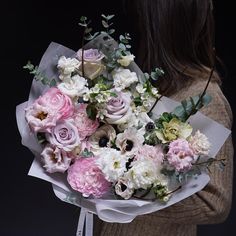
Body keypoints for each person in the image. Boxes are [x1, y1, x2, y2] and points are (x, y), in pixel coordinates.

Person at [94, 0, 234, 235]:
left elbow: (214, 202)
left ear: (161, 26)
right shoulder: (146, 86)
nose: (135, 22)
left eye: (142, 16)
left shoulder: (203, 97)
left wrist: (129, 194)